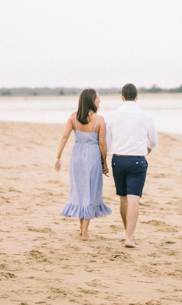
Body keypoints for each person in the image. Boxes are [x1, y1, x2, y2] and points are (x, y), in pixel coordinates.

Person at [55, 88, 112, 241]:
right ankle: (85, 234)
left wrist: (58, 157)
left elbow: (64, 137)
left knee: (80, 191)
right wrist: (104, 163)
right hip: (92, 156)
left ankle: (81, 229)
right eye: (98, 98)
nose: (100, 101)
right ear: (91, 101)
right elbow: (102, 144)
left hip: (77, 156)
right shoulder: (99, 119)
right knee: (90, 192)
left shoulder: (73, 117)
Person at [106, 83, 158, 248]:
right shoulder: (146, 116)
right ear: (137, 96)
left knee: (123, 198)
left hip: (118, 160)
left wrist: (104, 160)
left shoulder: (112, 115)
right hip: (137, 160)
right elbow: (154, 142)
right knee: (134, 199)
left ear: (122, 97)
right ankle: (129, 238)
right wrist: (145, 151)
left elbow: (107, 144)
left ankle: (128, 232)